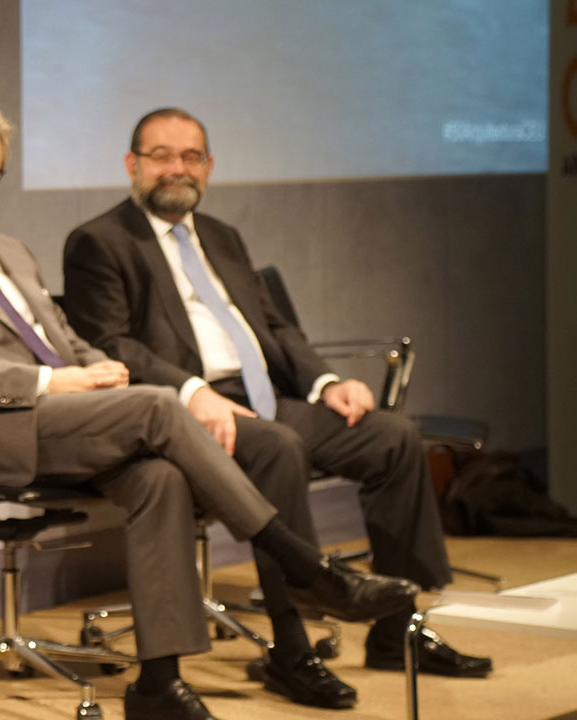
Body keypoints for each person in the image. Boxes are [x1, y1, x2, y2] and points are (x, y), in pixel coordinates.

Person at [0, 102, 419, 720]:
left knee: (165, 475)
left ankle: (157, 683)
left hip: (53, 422)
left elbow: (66, 339)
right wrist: (55, 381)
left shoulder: (10, 251)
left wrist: (100, 369)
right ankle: (306, 566)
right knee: (157, 407)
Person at [61, 107, 492, 710]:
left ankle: (401, 632)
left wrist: (326, 382)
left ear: (209, 167)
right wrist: (192, 392)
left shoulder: (222, 236)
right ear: (132, 165)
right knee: (281, 450)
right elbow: (113, 346)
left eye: (191, 156)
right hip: (183, 413)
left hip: (265, 401)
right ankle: (292, 651)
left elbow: (273, 326)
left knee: (393, 437)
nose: (176, 168)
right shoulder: (99, 242)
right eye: (161, 155)